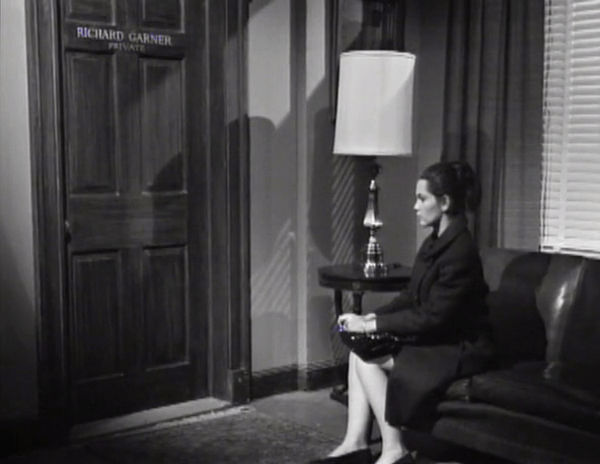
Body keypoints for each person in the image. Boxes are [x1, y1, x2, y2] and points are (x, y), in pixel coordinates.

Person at [310, 161, 496, 464]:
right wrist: (371, 319)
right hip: (439, 337)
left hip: (460, 347)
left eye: (422, 199)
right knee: (359, 351)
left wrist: (373, 326)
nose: (415, 206)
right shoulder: (434, 243)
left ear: (445, 202)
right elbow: (411, 296)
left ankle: (395, 450)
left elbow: (433, 317)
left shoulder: (461, 251)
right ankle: (355, 443)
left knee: (368, 360)